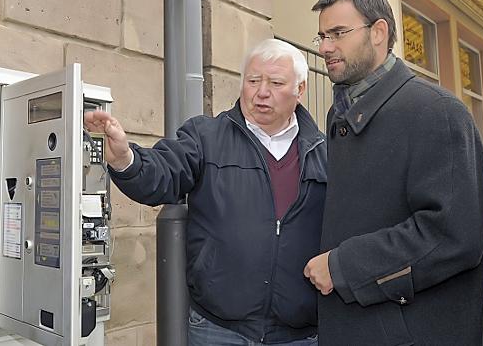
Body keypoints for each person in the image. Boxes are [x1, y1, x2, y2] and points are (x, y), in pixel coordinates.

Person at [84, 39, 327, 345]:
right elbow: (162, 173)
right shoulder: (206, 136)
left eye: (276, 82)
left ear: (300, 90)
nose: (261, 92)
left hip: (298, 334)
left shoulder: (325, 152)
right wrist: (123, 158)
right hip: (219, 330)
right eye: (253, 81)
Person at [303, 0, 483, 345]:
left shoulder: (437, 111)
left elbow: (453, 236)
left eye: (338, 34)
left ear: (378, 33)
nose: (325, 47)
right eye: (322, 36)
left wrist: (343, 267)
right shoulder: (340, 113)